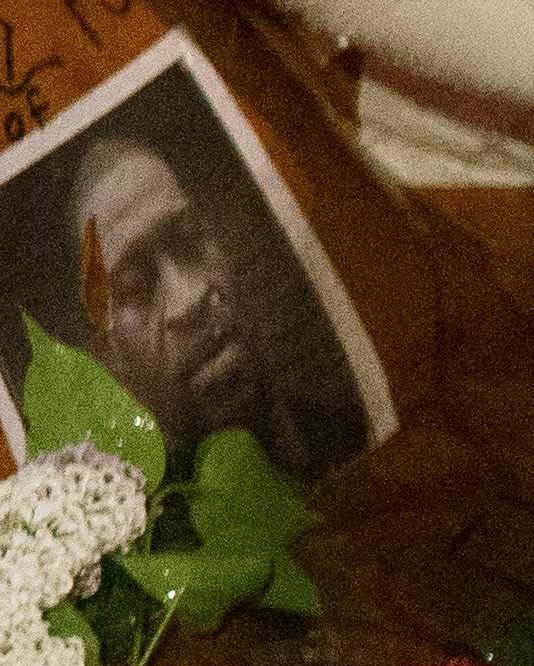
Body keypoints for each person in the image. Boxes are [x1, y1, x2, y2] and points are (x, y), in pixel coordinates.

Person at [60, 130, 348, 483]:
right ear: (107, 357)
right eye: (135, 286)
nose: (189, 299)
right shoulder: (153, 532)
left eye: (191, 240)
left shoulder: (351, 430)